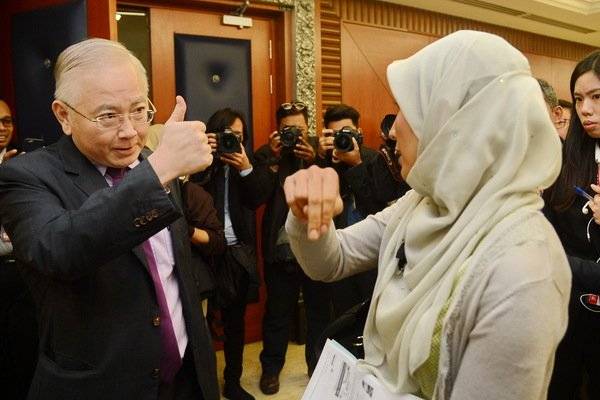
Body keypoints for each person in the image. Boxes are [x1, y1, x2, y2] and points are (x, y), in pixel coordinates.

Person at [283, 30, 571, 399]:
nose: (393, 129)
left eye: (408, 109)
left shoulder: (523, 267)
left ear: (453, 122)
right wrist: (308, 213)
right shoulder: (420, 203)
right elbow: (331, 261)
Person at [0, 38, 219, 399]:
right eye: (108, 116)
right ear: (63, 115)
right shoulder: (26, 177)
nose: (130, 131)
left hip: (184, 380)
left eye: (138, 110)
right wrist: (160, 170)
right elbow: (59, 250)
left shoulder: (151, 166)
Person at [239, 101, 331, 395]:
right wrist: (271, 160)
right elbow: (254, 197)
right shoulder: (267, 154)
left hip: (316, 246)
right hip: (281, 250)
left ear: (308, 128)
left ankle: (317, 369)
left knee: (319, 313)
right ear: (278, 130)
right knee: (277, 314)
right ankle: (270, 370)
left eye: (299, 129)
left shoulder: (320, 151)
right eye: (288, 129)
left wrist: (316, 160)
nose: (294, 135)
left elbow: (334, 189)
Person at [191, 108, 260, 400]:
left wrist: (245, 167)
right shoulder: (201, 162)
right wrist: (205, 157)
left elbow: (257, 199)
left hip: (237, 255)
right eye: (227, 136)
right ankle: (203, 384)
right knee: (201, 322)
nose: (233, 142)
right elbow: (190, 193)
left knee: (235, 323)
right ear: (214, 136)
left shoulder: (247, 163)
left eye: (239, 137)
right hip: (205, 252)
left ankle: (233, 382)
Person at [545, 49, 600, 400]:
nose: (585, 109)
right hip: (565, 307)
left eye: (597, 97)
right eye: (579, 99)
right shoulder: (564, 159)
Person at [315, 104, 380, 317]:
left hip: (372, 252)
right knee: (344, 315)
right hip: (339, 250)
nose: (341, 139)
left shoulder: (374, 159)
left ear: (358, 132)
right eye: (334, 135)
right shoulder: (326, 163)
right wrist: (323, 159)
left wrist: (356, 164)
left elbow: (376, 206)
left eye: (346, 132)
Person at [0, 99, 38, 399]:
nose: (2, 128)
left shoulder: (23, 164)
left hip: (24, 273)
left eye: (7, 121)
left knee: (25, 352)